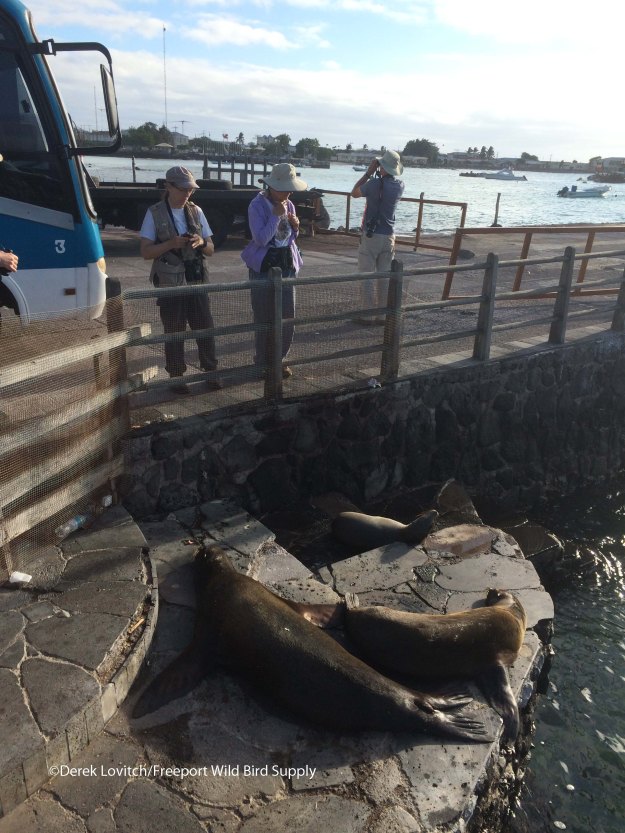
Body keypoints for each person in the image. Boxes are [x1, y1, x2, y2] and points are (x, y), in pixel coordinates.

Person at [139, 166, 220, 394]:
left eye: (191, 190)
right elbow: (146, 252)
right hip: (169, 281)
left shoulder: (196, 211)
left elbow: (211, 249)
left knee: (205, 326)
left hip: (196, 277)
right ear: (169, 187)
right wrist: (171, 244)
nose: (187, 194)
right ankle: (176, 377)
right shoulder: (154, 213)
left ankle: (211, 372)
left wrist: (200, 242)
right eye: (183, 189)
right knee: (174, 329)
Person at [241, 163, 307, 378]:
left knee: (287, 315)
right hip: (263, 266)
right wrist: (276, 216)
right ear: (270, 186)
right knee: (263, 315)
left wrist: (296, 227)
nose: (288, 193)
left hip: (286, 264)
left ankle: (279, 359)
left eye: (290, 189)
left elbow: (289, 239)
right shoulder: (256, 205)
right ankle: (262, 361)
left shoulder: (289, 204)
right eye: (284, 188)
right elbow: (260, 239)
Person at [350, 149, 405, 324]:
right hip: (389, 236)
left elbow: (355, 192)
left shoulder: (373, 184)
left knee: (366, 276)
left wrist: (368, 173)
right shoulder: (400, 186)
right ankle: (382, 315)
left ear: (382, 166)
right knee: (384, 278)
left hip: (371, 236)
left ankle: (367, 315)